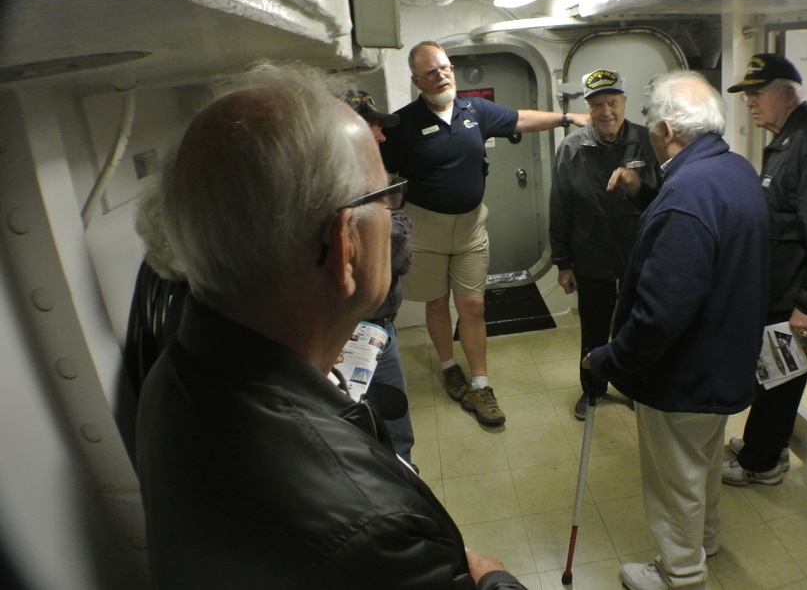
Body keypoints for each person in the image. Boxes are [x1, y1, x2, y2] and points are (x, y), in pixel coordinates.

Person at [135, 62, 528, 590]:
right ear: (346, 245)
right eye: (385, 197)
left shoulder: (179, 370)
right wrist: (493, 581)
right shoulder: (373, 530)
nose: (395, 214)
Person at [582, 70, 770, 590]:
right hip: (725, 359)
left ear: (665, 129)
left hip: (684, 373)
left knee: (674, 478)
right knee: (703, 462)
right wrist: (647, 194)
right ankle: (704, 541)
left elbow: (660, 315)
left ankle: (680, 574)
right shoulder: (734, 171)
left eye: (650, 125)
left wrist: (608, 360)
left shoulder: (687, 195)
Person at [380, 40, 589, 426]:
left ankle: (480, 384)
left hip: (472, 225)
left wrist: (565, 118)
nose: (441, 75)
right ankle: (448, 367)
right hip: (426, 228)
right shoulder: (403, 124)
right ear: (416, 80)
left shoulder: (473, 109)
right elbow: (385, 177)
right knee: (437, 302)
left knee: (473, 305)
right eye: (431, 71)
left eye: (444, 67)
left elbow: (520, 119)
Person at [722, 53, 807, 486]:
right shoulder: (786, 141)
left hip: (799, 297)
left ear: (788, 93)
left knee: (781, 382)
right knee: (771, 375)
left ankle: (762, 464)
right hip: (782, 291)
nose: (750, 103)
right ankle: (765, 445)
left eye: (757, 94)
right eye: (747, 95)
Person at [548, 68, 660, 420]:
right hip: (590, 255)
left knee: (636, 326)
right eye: (598, 104)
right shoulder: (571, 148)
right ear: (588, 107)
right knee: (594, 328)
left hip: (637, 255)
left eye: (613, 102)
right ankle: (593, 390)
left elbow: (666, 199)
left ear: (625, 102)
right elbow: (560, 207)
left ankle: (633, 386)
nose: (606, 111)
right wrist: (563, 262)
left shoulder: (647, 141)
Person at [340, 89, 417, 465]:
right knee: (358, 430)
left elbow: (399, 252)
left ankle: (406, 477)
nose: (382, 136)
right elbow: (400, 252)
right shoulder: (331, 189)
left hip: (382, 328)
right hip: (346, 331)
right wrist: (386, 220)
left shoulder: (377, 178)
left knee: (398, 429)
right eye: (372, 126)